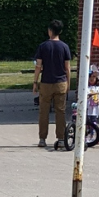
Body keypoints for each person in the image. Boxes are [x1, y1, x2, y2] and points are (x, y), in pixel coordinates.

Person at [32, 19, 74, 150]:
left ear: (50, 31)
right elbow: (67, 67)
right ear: (60, 31)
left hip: (46, 83)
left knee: (43, 112)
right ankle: (61, 139)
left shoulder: (43, 46)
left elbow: (38, 66)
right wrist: (68, 82)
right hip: (61, 82)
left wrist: (35, 81)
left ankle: (42, 138)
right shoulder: (65, 47)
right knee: (60, 111)